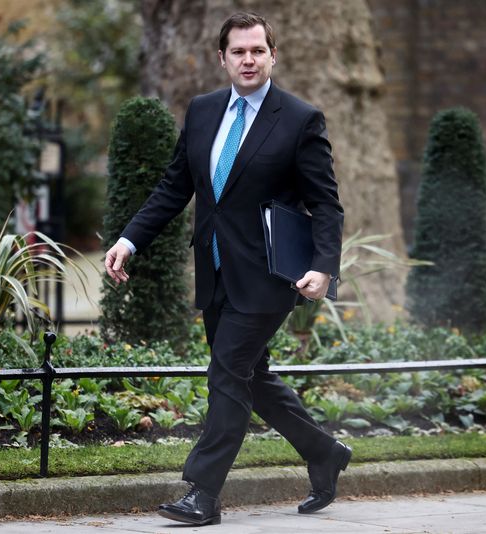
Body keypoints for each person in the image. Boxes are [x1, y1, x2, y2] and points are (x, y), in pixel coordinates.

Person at [104, 11, 349, 527]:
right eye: (238, 51)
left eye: (258, 50)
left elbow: (325, 205)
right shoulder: (202, 111)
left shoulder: (300, 119)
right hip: (215, 272)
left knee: (227, 373)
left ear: (272, 55)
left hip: (267, 277)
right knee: (251, 378)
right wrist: (129, 239)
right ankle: (324, 452)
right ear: (222, 58)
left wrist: (324, 268)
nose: (248, 59)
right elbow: (176, 187)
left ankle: (203, 492)